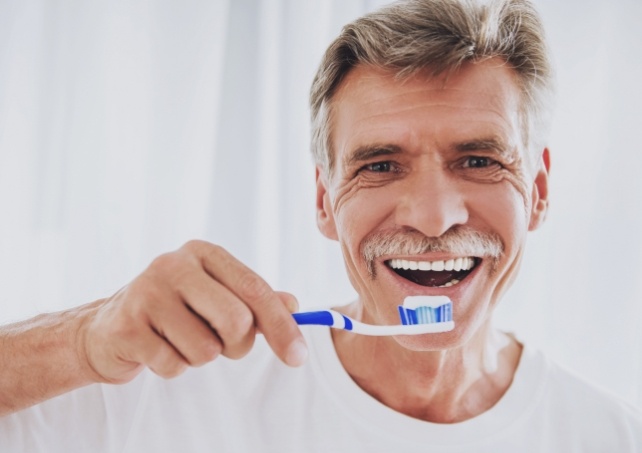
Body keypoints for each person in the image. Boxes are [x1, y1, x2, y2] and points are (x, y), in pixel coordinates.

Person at [1, 0, 641, 451]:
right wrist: (82, 342)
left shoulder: (609, 437)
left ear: (540, 190)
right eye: (381, 165)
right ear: (324, 200)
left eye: (478, 160)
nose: (432, 216)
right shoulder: (168, 385)